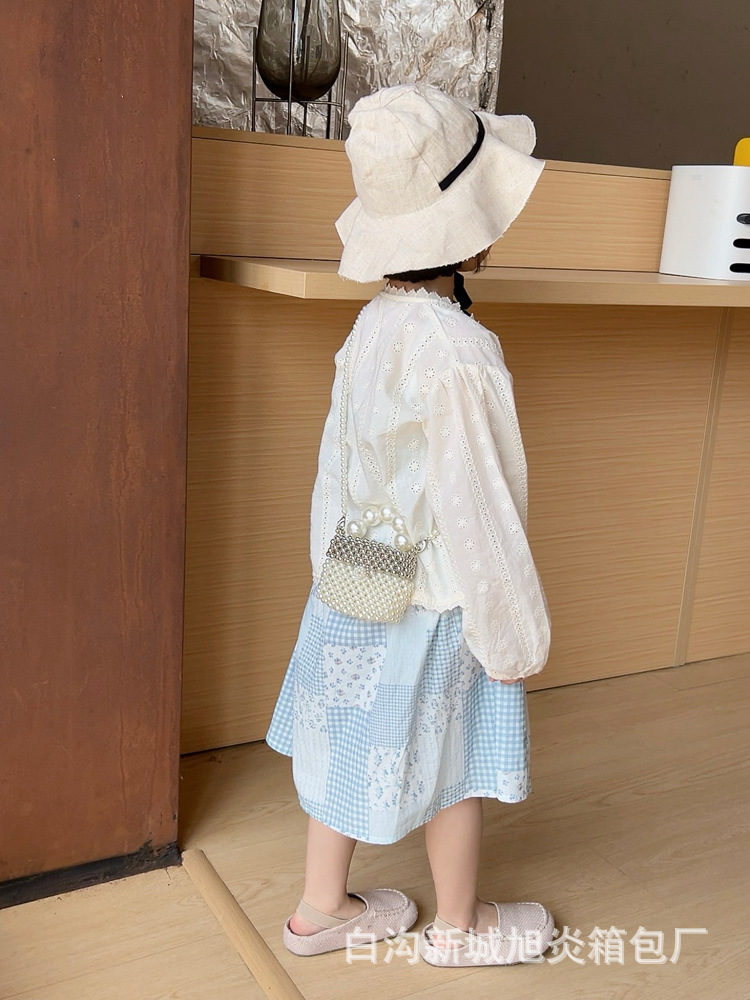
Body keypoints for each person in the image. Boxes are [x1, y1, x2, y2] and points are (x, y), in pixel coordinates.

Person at [264, 82, 554, 968]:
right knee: (451, 755)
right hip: (436, 592)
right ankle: (460, 926)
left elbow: (338, 462)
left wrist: (330, 570)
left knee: (346, 731)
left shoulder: (371, 325)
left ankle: (322, 908)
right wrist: (508, 624)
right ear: (472, 233)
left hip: (359, 567)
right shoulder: (460, 351)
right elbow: (478, 503)